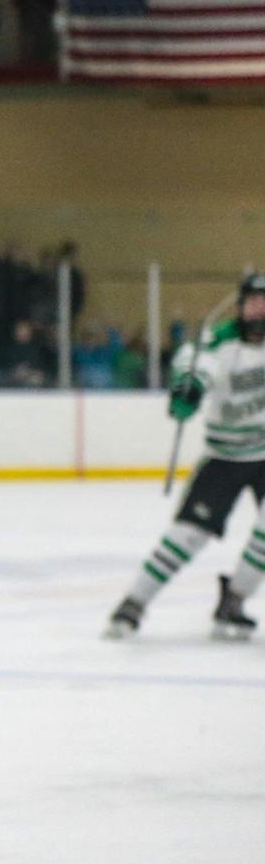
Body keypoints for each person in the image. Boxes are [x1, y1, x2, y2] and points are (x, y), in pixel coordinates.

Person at [107, 273, 265, 641]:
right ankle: (134, 602)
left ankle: (235, 599)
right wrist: (188, 388)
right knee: (188, 535)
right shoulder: (220, 340)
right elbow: (195, 363)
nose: (259, 307)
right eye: (253, 300)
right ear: (241, 305)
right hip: (224, 456)